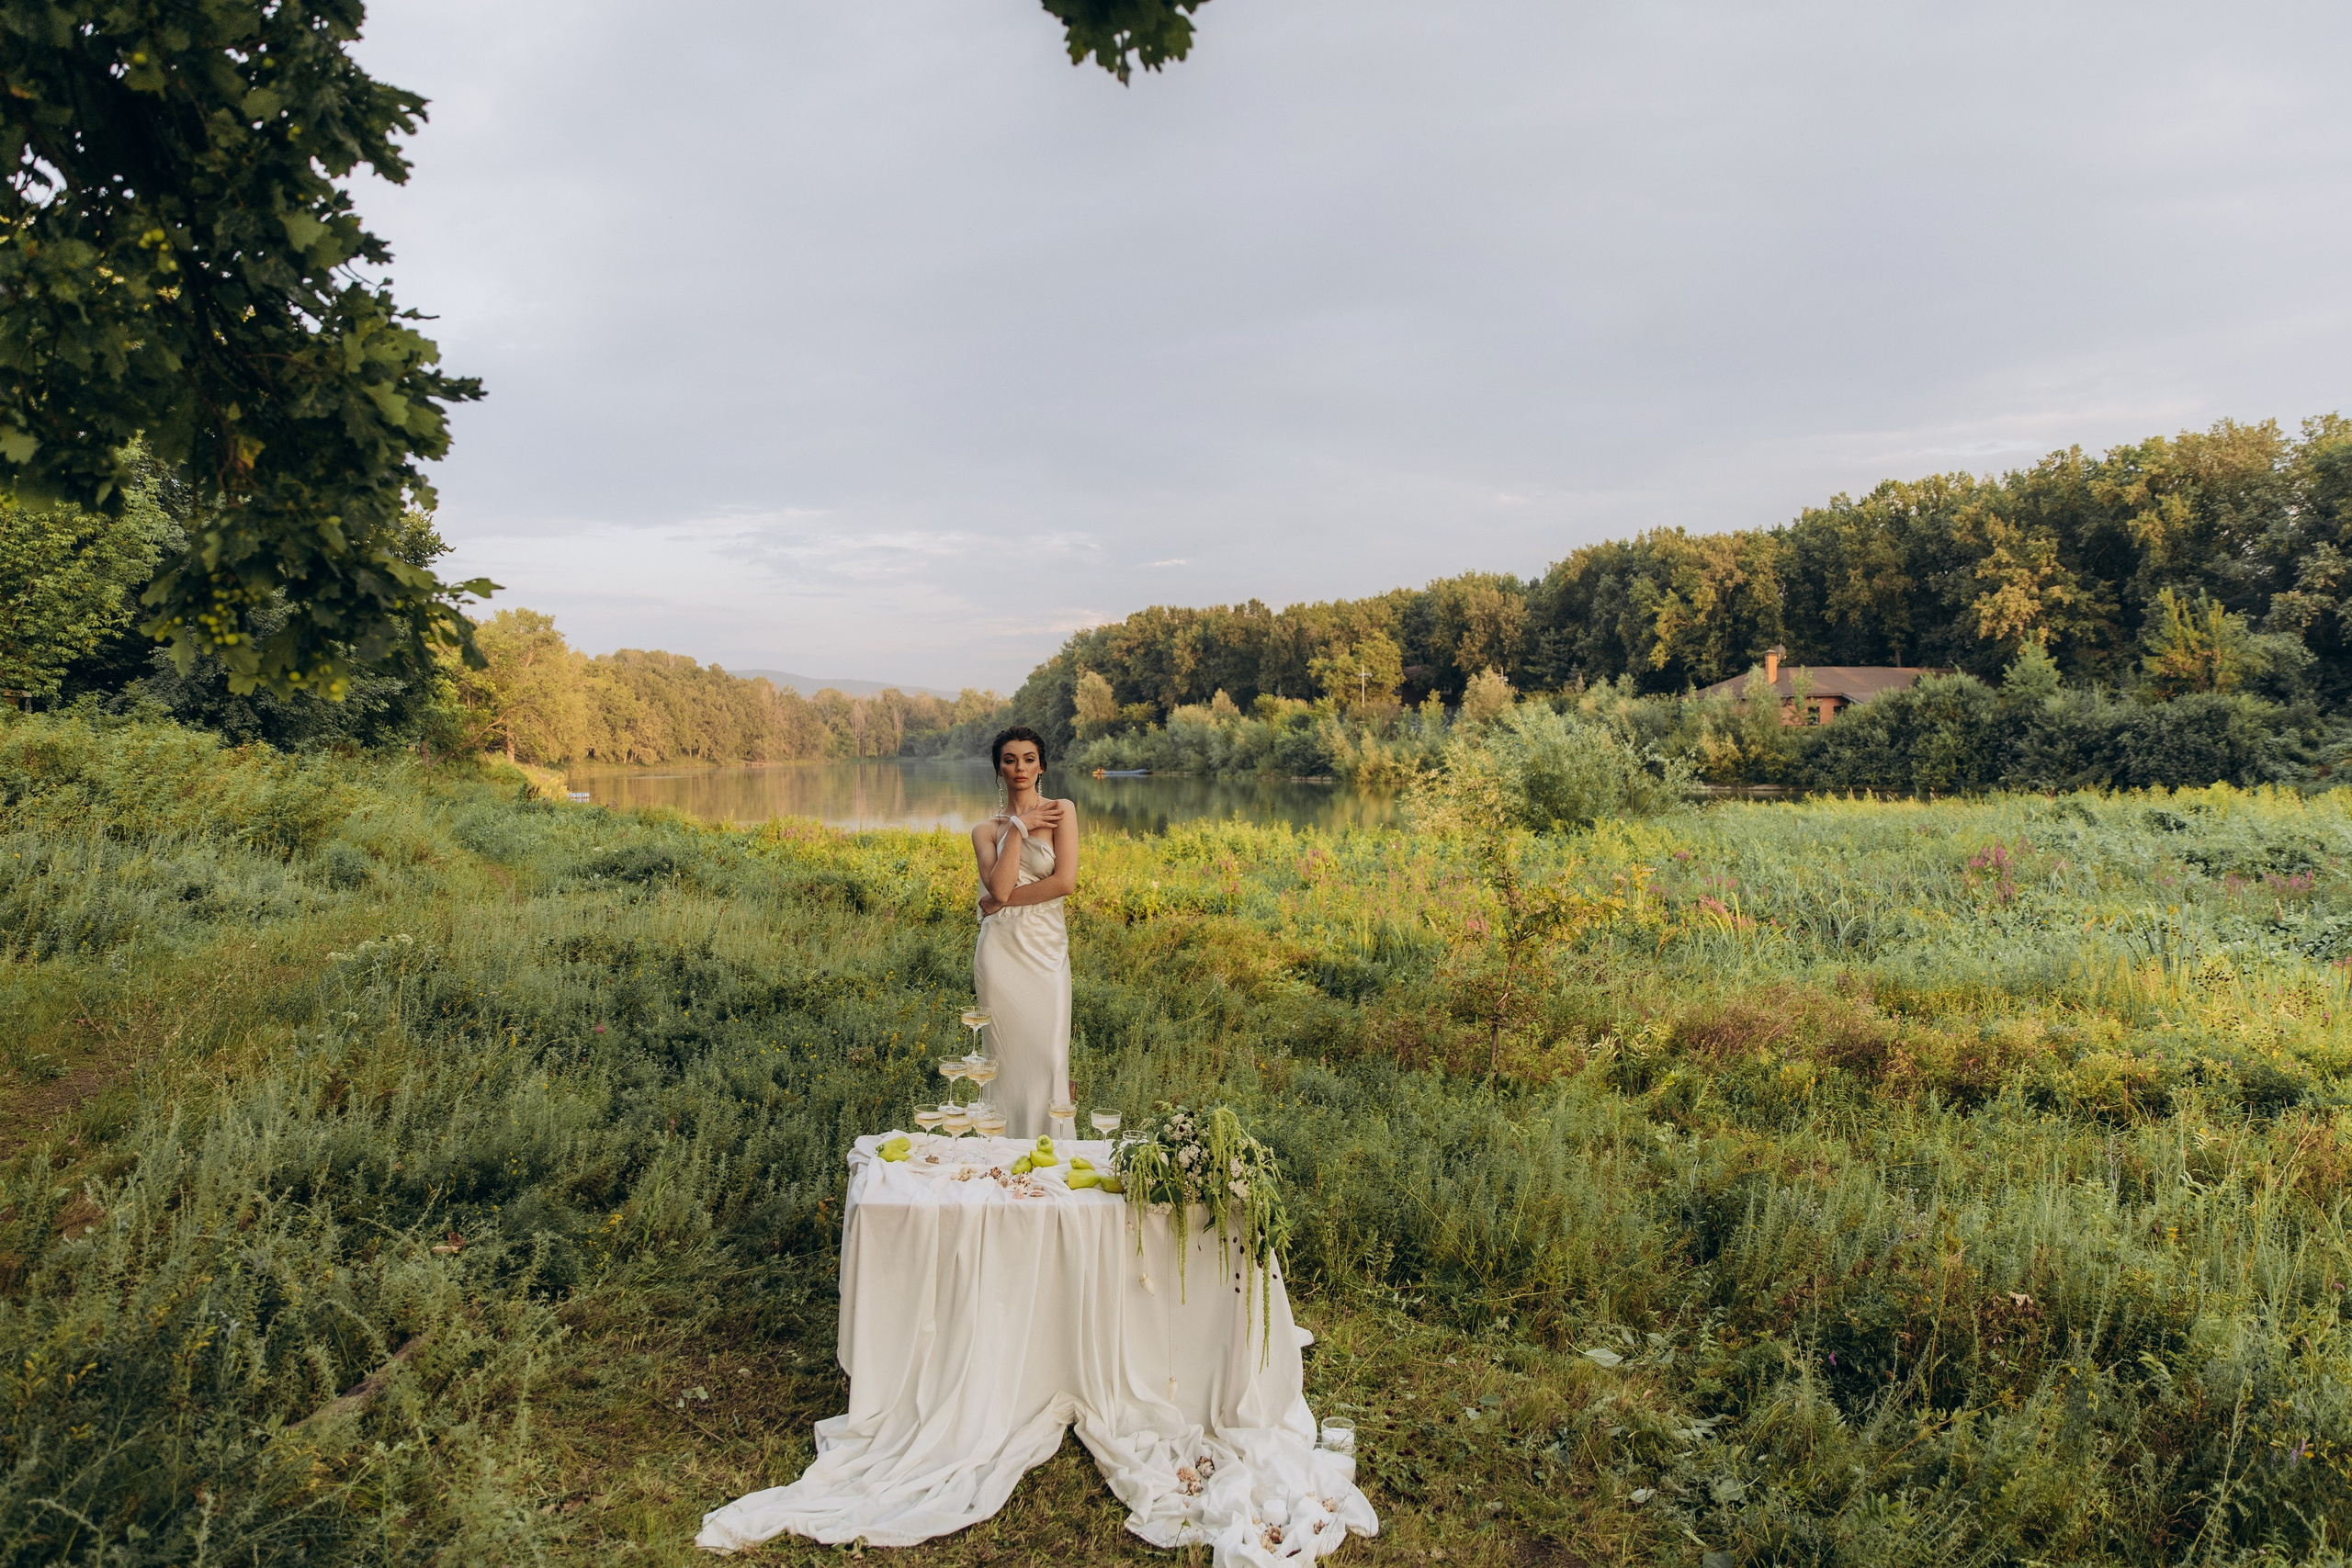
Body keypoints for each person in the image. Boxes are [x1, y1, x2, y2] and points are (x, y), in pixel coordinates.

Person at [969, 726, 1078, 1138]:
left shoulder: (1062, 810)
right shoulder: (986, 830)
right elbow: (997, 886)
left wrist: (999, 901)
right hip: (1001, 953)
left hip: (1047, 950)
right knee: (1003, 1059)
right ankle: (996, 1157)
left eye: (1028, 759)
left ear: (1042, 767)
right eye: (1010, 759)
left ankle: (1050, 1155)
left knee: (1050, 1056)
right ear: (999, 768)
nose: (1020, 767)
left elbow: (1064, 883)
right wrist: (1018, 826)